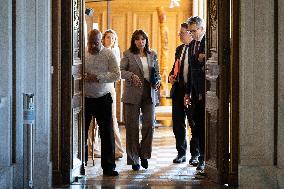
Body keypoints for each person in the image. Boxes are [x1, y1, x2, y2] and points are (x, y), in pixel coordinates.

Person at [120, 29, 161, 171]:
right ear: (133, 41)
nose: (140, 42)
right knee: (132, 127)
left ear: (146, 40)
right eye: (137, 39)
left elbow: (157, 73)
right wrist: (131, 75)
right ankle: (134, 159)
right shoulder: (128, 54)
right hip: (132, 94)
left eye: (143, 39)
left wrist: (158, 81)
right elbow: (120, 71)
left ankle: (144, 155)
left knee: (149, 124)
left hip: (149, 94)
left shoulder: (153, 54)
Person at [84, 29, 120, 176]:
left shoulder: (108, 54)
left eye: (96, 43)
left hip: (103, 98)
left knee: (106, 134)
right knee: (81, 132)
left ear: (101, 41)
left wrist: (98, 77)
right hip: (85, 98)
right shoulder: (83, 53)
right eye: (90, 43)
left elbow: (116, 75)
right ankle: (80, 163)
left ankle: (109, 167)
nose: (93, 46)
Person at [168, 22, 196, 164]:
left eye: (182, 33)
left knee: (193, 123)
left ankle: (195, 154)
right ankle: (181, 153)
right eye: (179, 33)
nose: (180, 35)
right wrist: (170, 76)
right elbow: (175, 68)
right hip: (178, 90)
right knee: (178, 124)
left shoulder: (196, 48)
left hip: (191, 92)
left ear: (190, 33)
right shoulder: (179, 49)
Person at [184, 16, 206, 171]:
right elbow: (191, 72)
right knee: (196, 126)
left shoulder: (210, 43)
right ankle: (201, 156)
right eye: (190, 31)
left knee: (204, 127)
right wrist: (187, 93)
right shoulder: (191, 45)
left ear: (202, 29)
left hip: (208, 92)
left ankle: (204, 159)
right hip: (195, 92)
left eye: (194, 31)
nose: (192, 34)